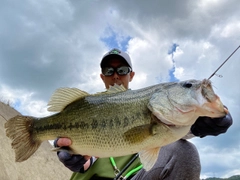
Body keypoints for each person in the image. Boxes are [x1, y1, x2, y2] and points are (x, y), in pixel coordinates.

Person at [54, 48, 233, 180]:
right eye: (109, 71)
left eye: (122, 70)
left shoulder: (158, 114)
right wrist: (72, 156)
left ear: (131, 75)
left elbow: (173, 131)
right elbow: (87, 159)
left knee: (185, 151)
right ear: (102, 76)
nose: (115, 75)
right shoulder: (86, 109)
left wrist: (200, 126)